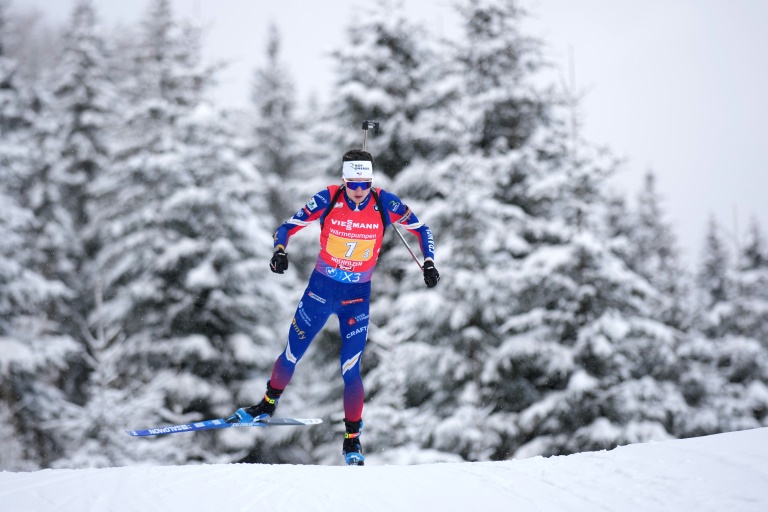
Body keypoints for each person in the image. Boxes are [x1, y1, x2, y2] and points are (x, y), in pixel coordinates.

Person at [227, 148, 439, 466]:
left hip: (356, 299)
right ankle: (267, 405)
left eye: (364, 184)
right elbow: (285, 227)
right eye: (353, 184)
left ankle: (352, 441)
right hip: (320, 292)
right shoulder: (327, 198)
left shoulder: (385, 203)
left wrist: (429, 262)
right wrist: (280, 251)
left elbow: (423, 229)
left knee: (350, 370)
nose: (358, 191)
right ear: (343, 180)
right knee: (292, 353)